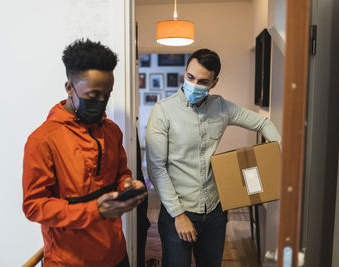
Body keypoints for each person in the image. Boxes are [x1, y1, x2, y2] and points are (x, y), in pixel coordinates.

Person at [145, 48, 281, 267]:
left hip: (215, 212)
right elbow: (156, 168)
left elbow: (263, 123)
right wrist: (179, 216)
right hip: (177, 213)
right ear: (185, 72)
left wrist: (279, 155)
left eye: (202, 81)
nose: (194, 84)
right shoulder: (163, 111)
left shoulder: (222, 107)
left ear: (214, 83)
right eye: (190, 77)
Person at [22, 39, 146, 267]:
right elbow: (34, 206)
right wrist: (94, 210)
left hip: (117, 255)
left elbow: (120, 172)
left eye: (107, 95)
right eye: (92, 95)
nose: (101, 102)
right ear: (69, 87)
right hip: (68, 261)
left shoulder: (112, 131)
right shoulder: (42, 140)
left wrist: (127, 184)